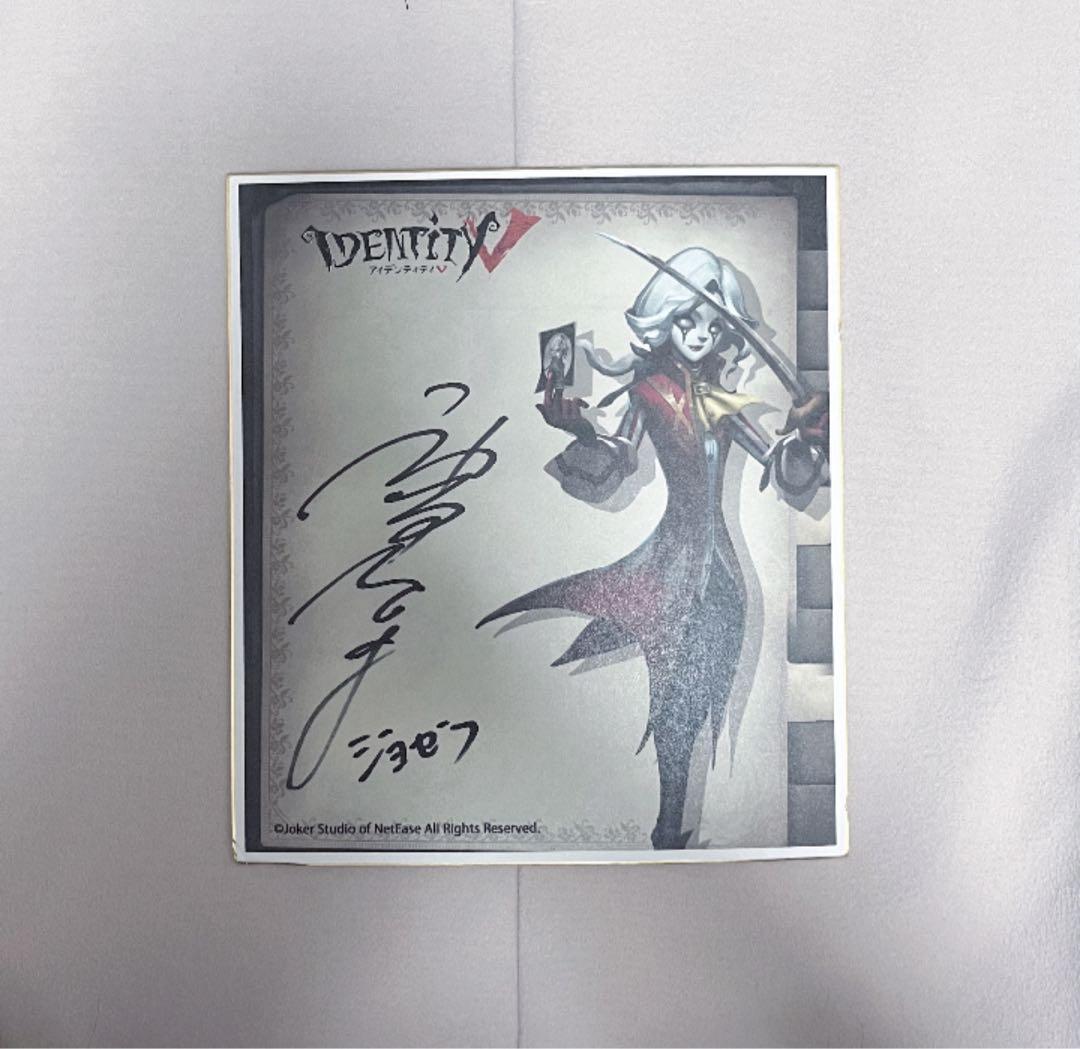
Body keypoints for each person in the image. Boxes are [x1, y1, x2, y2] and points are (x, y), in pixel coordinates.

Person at [479, 247, 829, 849]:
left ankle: (673, 831)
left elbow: (784, 470)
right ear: (664, 320)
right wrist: (579, 429)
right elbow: (614, 464)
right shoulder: (649, 392)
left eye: (712, 324)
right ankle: (668, 829)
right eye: (687, 320)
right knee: (673, 700)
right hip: (670, 563)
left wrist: (807, 436)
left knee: (698, 694)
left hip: (720, 573)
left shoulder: (721, 401)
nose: (699, 334)